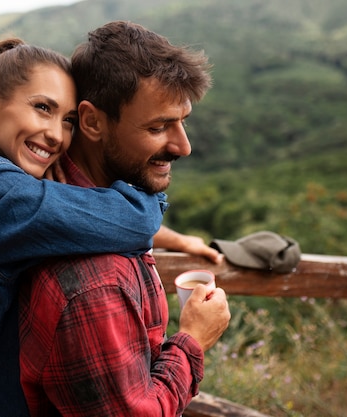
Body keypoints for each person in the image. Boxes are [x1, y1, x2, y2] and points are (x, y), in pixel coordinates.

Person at [0, 38, 170, 417]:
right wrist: (152, 195)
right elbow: (134, 219)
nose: (57, 135)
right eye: (43, 108)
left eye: (68, 121)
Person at [18, 21, 231, 416]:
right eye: (157, 127)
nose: (183, 146)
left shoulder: (65, 192)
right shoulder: (95, 283)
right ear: (93, 121)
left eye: (182, 121)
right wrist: (193, 339)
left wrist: (180, 241)